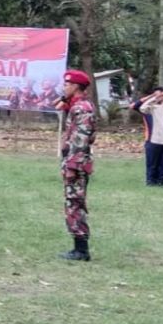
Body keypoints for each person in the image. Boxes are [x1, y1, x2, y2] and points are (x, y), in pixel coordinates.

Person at [58, 70, 96, 261]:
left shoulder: (82, 108)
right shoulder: (76, 106)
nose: (64, 87)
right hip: (75, 161)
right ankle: (79, 247)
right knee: (73, 203)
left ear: (76, 87)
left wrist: (72, 166)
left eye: (67, 84)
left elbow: (81, 139)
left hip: (77, 163)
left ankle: (81, 250)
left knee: (74, 204)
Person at [133, 88, 163, 187]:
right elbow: (142, 108)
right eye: (162, 95)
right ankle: (151, 182)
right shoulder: (155, 108)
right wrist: (154, 98)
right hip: (156, 140)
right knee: (153, 162)